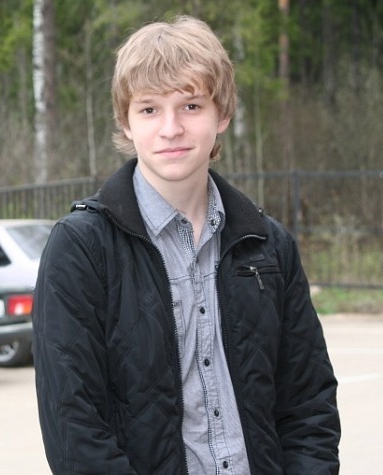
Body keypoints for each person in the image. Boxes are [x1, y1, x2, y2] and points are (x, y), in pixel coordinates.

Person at [33, 15, 340, 474]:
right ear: (126, 121)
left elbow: (309, 404)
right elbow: (74, 429)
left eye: (191, 106)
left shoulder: (269, 245)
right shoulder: (81, 249)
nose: (171, 128)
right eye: (149, 109)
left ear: (223, 114)